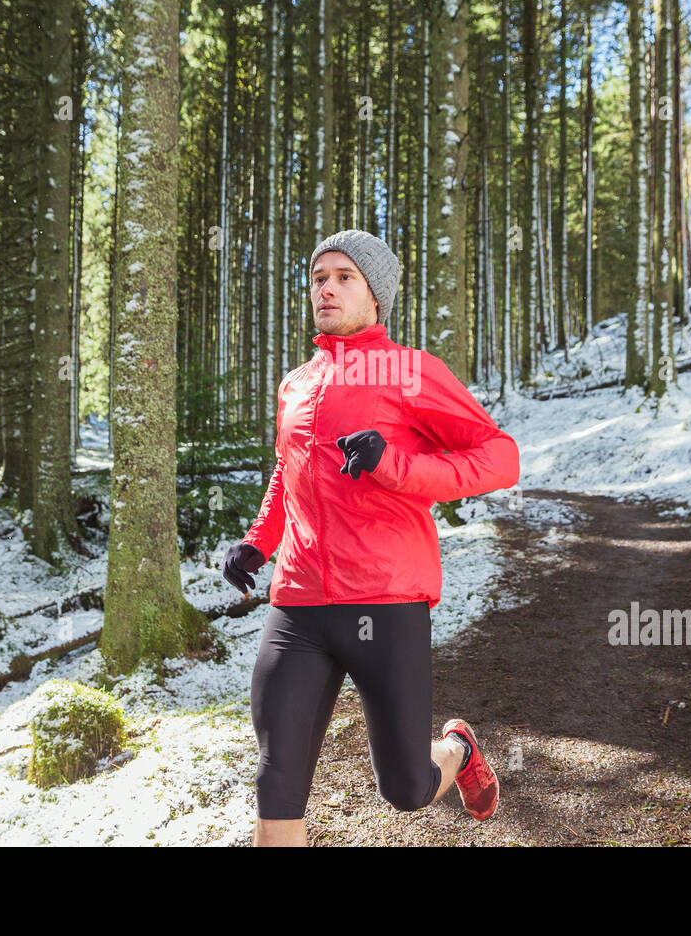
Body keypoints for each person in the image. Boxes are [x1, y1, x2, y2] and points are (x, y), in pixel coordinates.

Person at [222, 228, 520, 847]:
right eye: (317, 278)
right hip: (298, 605)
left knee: (406, 787)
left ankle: (457, 750)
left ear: (376, 295)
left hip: (383, 601)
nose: (325, 288)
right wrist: (259, 540)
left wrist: (394, 466)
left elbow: (500, 458)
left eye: (343, 277)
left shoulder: (410, 371)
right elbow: (289, 468)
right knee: (277, 779)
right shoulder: (297, 382)